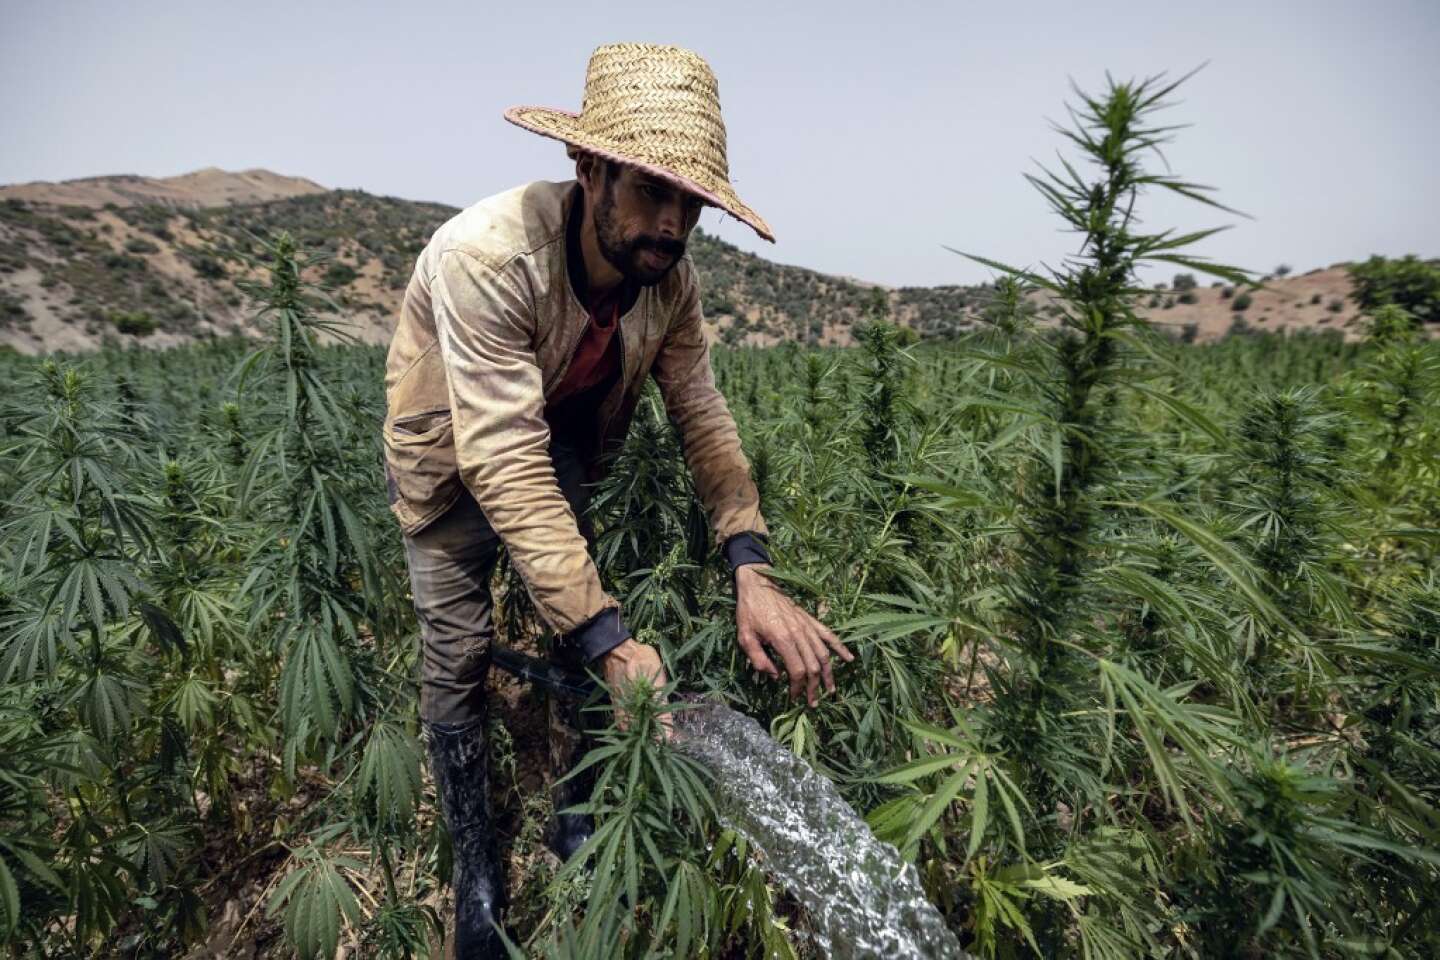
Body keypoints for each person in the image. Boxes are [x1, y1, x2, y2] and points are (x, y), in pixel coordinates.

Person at [381, 42, 853, 957]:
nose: (671, 223)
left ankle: (577, 809)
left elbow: (702, 416)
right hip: (448, 460)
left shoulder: (665, 279)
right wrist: (612, 636)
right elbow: (499, 457)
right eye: (651, 190)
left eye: (690, 203)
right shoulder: (490, 257)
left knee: (576, 618)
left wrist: (750, 565)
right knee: (460, 650)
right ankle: (476, 873)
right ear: (588, 167)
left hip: (557, 443)